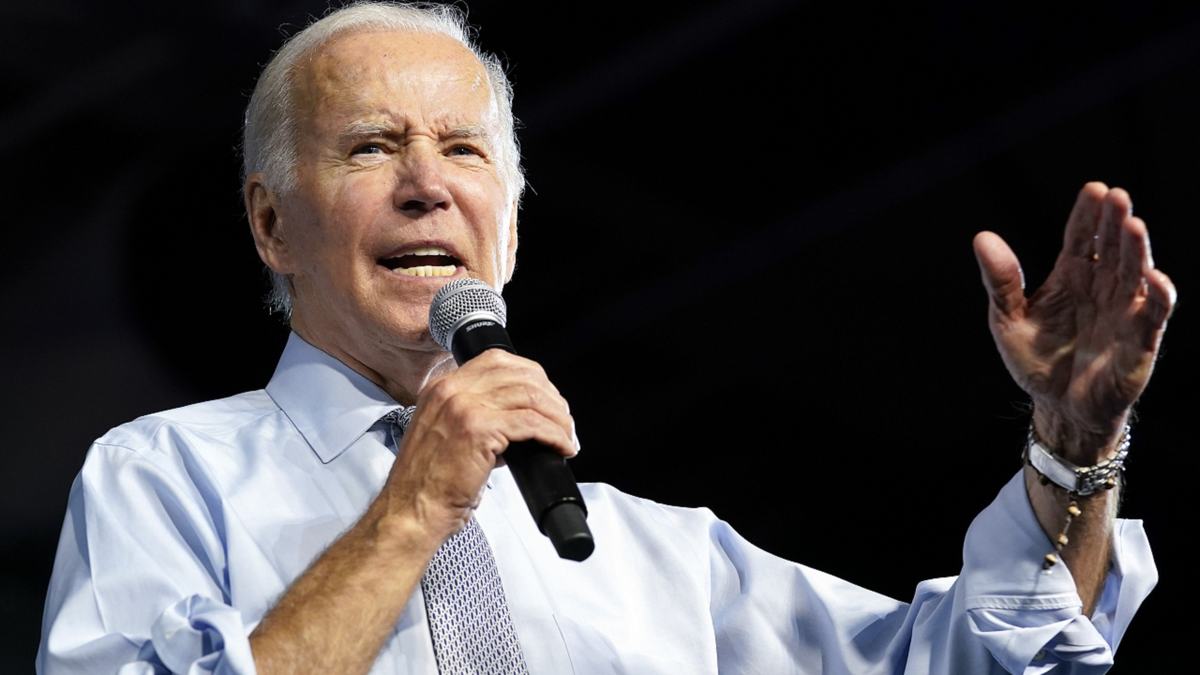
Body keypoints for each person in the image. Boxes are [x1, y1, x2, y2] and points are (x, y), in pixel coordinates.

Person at [37, 3, 1175, 674]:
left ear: (513, 232)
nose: (430, 186)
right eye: (373, 147)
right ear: (271, 221)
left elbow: (978, 662)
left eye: (466, 152)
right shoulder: (165, 477)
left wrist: (1074, 448)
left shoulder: (659, 561)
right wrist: (413, 509)